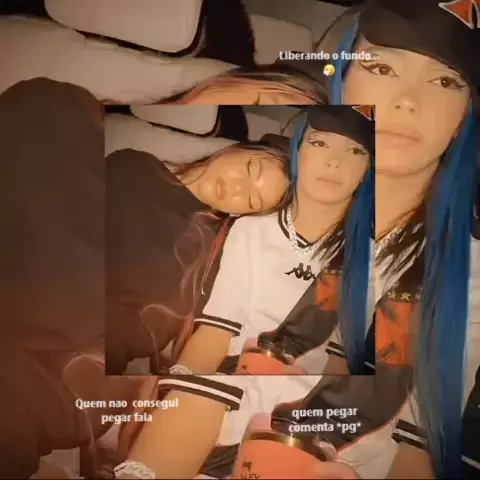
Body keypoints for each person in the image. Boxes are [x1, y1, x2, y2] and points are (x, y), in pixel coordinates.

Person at [305, 0, 479, 478]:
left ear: (466, 114)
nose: (408, 101)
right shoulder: (265, 207)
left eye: (445, 82)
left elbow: (419, 449)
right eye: (381, 67)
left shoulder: (465, 277)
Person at [171, 105, 374, 376]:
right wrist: (181, 382)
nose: (335, 161)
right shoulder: (251, 230)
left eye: (356, 151)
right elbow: (216, 330)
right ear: (298, 153)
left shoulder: (371, 258)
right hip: (233, 378)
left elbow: (342, 365)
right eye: (319, 143)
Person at [106, 140, 292, 374]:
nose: (238, 187)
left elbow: (130, 338)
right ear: (235, 150)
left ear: (244, 214)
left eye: (251, 200)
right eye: (249, 169)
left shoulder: (202, 259)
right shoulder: (133, 165)